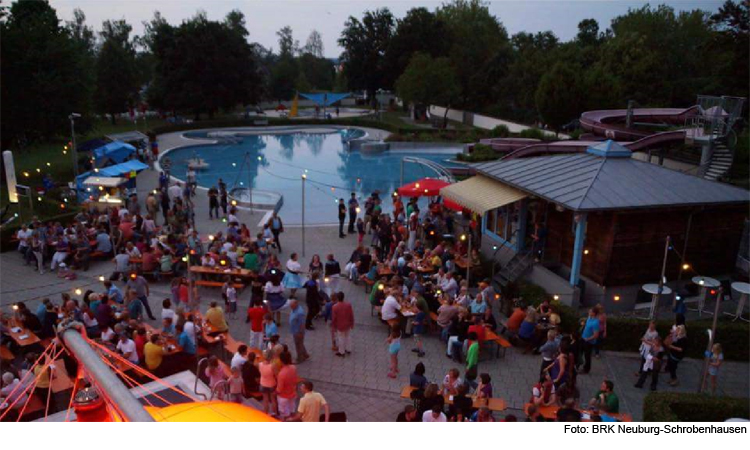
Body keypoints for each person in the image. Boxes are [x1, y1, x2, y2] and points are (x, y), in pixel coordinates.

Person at [331, 291, 354, 357]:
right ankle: (348, 349)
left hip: (340, 325)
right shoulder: (348, 305)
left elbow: (334, 318)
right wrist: (352, 323)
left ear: (337, 298)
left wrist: (333, 326)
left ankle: (341, 351)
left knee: (341, 338)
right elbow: (351, 315)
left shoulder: (335, 307)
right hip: (347, 324)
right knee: (348, 336)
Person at [580, 308, 600, 374]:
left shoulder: (596, 323)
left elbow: (596, 335)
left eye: (590, 311)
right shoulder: (589, 318)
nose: (589, 312)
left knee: (587, 356)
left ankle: (586, 370)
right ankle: (578, 365)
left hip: (588, 342)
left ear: (594, 313)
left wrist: (587, 339)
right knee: (580, 352)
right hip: (583, 339)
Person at [259, 350, 278, 415]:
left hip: (263, 384)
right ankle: (274, 413)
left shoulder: (260, 364)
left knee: (265, 400)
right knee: (273, 400)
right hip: (271, 384)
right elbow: (276, 375)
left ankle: (265, 413)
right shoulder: (273, 366)